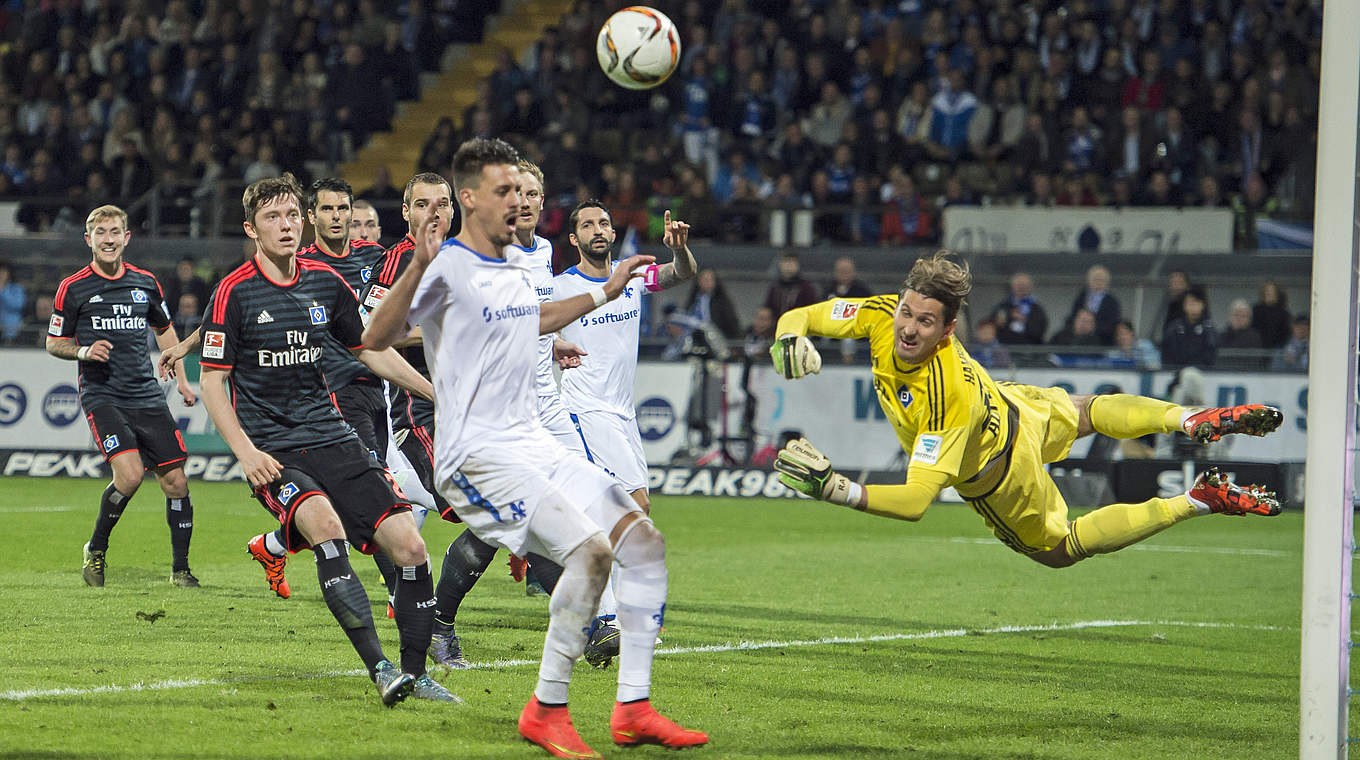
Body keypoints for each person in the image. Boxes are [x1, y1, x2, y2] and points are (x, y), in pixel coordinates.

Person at [362, 138, 706, 756]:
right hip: (475, 455)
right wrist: (417, 264)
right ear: (472, 199)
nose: (519, 201)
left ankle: (633, 708)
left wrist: (606, 290)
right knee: (590, 553)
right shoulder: (448, 264)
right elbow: (376, 336)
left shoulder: (524, 262)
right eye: (505, 190)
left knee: (642, 541)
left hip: (529, 440)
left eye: (524, 191)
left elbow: (536, 319)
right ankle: (547, 709)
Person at [767, 250, 1283, 575]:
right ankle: (1187, 419)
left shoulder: (943, 396)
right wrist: (788, 336)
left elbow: (914, 502)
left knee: (1060, 549)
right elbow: (805, 312)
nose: (908, 327)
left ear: (948, 331)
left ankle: (1196, 500)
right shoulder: (882, 314)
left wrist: (835, 487)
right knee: (1088, 410)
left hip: (999, 474)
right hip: (1012, 403)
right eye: (906, 311)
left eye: (925, 322)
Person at [197, 173, 455, 705]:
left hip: (332, 434)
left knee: (411, 545)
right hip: (274, 450)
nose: (286, 225)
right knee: (325, 526)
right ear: (251, 228)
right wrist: (246, 453)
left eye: (292, 215)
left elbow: (369, 347)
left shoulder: (323, 283)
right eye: (273, 217)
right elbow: (212, 381)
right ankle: (380, 668)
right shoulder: (234, 292)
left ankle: (416, 673)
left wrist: (437, 393)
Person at [374, 166, 572, 670]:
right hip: (420, 415)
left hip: (478, 411)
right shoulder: (397, 261)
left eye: (442, 204)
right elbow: (374, 335)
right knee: (491, 513)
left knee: (505, 515)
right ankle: (582, 620)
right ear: (406, 213)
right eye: (423, 205)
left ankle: (442, 623)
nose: (434, 214)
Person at [551, 198, 700, 665]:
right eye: (588, 225)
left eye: (604, 223)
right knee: (629, 509)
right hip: (581, 408)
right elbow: (535, 325)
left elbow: (681, 274)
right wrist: (555, 342)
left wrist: (682, 250)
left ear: (613, 234)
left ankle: (602, 619)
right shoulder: (561, 287)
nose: (598, 230)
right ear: (573, 239)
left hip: (621, 413)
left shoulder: (632, 279)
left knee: (619, 514)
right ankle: (617, 618)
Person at [48, 205, 201, 588]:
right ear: (89, 239)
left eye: (115, 231)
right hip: (103, 395)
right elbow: (54, 342)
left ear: (127, 237)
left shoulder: (146, 282)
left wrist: (182, 379)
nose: (109, 239)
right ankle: (95, 549)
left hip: (147, 393)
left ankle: (180, 569)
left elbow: (165, 331)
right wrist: (83, 352)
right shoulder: (73, 287)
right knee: (130, 476)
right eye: (101, 232)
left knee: (177, 482)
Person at [1161, 285, 1217, 368]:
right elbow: (1167, 353)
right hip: (1176, 372)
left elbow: (1211, 355)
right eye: (1190, 302)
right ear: (1184, 305)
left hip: (1203, 374)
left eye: (1196, 302)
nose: (1193, 305)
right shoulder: (1174, 328)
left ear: (1203, 305)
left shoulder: (1209, 329)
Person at [1065, 264, 1120, 345]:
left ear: (1107, 283)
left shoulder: (1112, 302)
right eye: (1095, 279)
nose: (1098, 282)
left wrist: (1093, 328)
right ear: (1089, 281)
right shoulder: (1081, 297)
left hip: (1102, 341)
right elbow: (1073, 316)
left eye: (1101, 280)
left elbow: (1113, 323)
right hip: (1078, 339)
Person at [989, 272, 1048, 345]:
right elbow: (993, 327)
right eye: (1018, 284)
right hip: (1006, 348)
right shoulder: (1003, 306)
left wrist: (1025, 320)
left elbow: (1040, 331)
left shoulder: (1037, 308)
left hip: (1030, 350)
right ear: (1012, 286)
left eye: (1024, 285)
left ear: (1030, 287)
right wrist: (1010, 317)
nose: (1021, 287)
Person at [762, 252, 819, 320]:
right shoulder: (775, 287)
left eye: (792, 262)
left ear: (798, 265)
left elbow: (812, 309)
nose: (789, 264)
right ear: (780, 264)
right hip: (778, 326)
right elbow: (768, 308)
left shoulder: (806, 288)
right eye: (786, 261)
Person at [1251, 280, 1292, 349]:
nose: (1269, 293)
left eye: (1272, 291)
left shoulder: (1283, 313)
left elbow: (1286, 334)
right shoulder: (1255, 310)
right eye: (1267, 291)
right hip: (1258, 348)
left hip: (1277, 349)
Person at [1, 261, 28, 343]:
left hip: (10, 332)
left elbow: (18, 305)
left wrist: (2, 290)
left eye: (3, 272)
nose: (0, 274)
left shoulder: (17, 289)